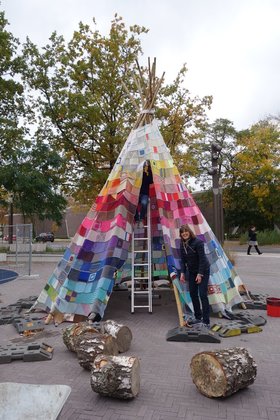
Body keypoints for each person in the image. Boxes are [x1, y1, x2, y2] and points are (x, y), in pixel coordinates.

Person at [179, 224, 211, 328]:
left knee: (202, 294)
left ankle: (206, 321)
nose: (184, 233)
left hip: (203, 270)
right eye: (182, 232)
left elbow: (202, 259)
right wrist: (182, 273)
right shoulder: (182, 244)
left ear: (189, 231)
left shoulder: (198, 243)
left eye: (185, 231)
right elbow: (183, 260)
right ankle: (198, 317)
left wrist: (200, 274)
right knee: (193, 293)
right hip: (192, 271)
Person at [135, 160, 153, 224]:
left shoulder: (148, 172)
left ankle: (141, 218)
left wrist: (148, 173)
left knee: (144, 203)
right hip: (136, 193)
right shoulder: (137, 173)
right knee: (132, 204)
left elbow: (151, 181)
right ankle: (136, 218)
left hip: (144, 193)